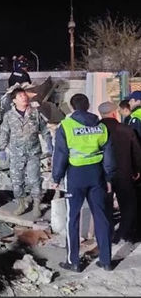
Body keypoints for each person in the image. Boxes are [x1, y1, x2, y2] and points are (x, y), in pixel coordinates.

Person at [52, 93, 115, 272]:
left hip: (76, 175)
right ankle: (106, 261)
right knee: (101, 217)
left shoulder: (66, 126)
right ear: (88, 106)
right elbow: (109, 155)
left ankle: (74, 262)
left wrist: (56, 177)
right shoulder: (100, 126)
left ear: (72, 107)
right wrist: (109, 177)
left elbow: (61, 154)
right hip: (96, 175)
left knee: (72, 218)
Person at [0, 89, 52, 218]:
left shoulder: (35, 113)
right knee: (17, 181)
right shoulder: (9, 116)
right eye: (20, 96)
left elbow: (44, 130)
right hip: (16, 154)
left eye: (24, 95)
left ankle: (36, 204)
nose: (24, 97)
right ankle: (21, 204)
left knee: (35, 179)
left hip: (33, 152)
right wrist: (2, 148)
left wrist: (49, 143)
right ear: (14, 100)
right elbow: (4, 132)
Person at [98, 101, 141, 244]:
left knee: (106, 206)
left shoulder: (96, 130)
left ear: (101, 114)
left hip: (103, 175)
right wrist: (137, 169)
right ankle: (124, 233)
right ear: (114, 113)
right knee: (128, 204)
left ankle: (108, 234)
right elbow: (136, 152)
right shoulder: (126, 129)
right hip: (125, 173)